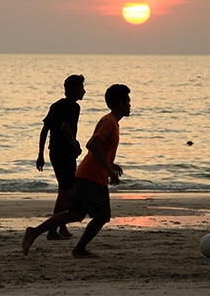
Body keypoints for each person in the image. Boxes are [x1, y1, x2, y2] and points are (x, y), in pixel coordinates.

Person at [24, 84, 131, 258]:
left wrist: (111, 165)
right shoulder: (109, 122)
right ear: (120, 104)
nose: (130, 105)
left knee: (76, 214)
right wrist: (108, 170)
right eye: (128, 101)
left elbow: (99, 149)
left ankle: (34, 232)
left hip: (86, 174)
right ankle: (79, 249)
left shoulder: (112, 122)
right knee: (102, 216)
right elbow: (92, 145)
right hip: (92, 177)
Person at [36, 74, 86, 240]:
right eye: (81, 88)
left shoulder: (56, 105)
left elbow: (45, 130)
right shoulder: (73, 107)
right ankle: (52, 230)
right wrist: (75, 147)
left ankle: (61, 227)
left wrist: (40, 155)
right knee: (65, 191)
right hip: (64, 153)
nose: (84, 91)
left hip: (54, 152)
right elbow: (66, 128)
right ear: (72, 90)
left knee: (65, 189)